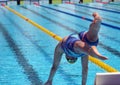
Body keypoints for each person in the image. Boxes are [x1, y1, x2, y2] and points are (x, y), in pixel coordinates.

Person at [44, 12, 108, 85]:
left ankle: (94, 52)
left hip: (70, 42)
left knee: (77, 47)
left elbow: (54, 67)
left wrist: (49, 80)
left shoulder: (60, 49)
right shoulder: (82, 55)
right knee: (92, 38)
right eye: (73, 60)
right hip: (82, 38)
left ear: (66, 56)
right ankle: (97, 22)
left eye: (69, 59)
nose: (71, 58)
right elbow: (85, 69)